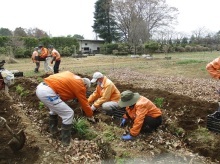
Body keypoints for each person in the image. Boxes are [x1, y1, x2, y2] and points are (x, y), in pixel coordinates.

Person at [36, 71, 93, 146]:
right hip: (48, 92)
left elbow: (63, 90)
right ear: (85, 85)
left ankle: (53, 131)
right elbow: (84, 103)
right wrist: (90, 115)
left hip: (41, 87)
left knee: (54, 110)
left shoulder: (72, 76)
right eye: (86, 89)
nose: (85, 90)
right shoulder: (80, 85)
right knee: (68, 113)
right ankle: (66, 142)